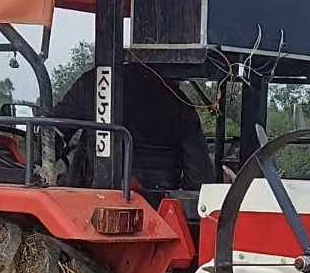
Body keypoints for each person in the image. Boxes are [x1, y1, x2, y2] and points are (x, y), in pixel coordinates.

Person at [52, 60, 215, 191]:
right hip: (158, 206)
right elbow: (199, 176)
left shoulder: (92, 84)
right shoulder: (181, 104)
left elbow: (53, 135)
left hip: (91, 199)